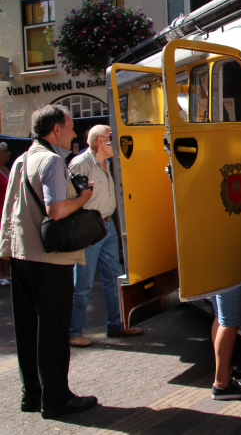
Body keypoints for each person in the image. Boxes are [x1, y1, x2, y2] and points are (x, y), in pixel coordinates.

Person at [0, 105, 98, 418]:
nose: (74, 133)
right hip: (49, 256)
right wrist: (82, 199)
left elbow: (11, 209)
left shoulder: (22, 159)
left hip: (21, 253)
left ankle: (32, 394)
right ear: (56, 130)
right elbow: (55, 210)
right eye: (70, 127)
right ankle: (56, 398)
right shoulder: (52, 160)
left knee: (27, 327)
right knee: (53, 328)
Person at [68, 125, 143, 347]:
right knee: (83, 283)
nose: (117, 143)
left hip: (107, 226)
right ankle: (73, 332)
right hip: (88, 229)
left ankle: (116, 324)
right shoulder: (80, 164)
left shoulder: (108, 163)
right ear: (100, 141)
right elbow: (70, 198)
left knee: (114, 277)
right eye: (112, 139)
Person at [210, 284, 241, 400]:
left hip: (212, 273)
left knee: (220, 316)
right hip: (227, 273)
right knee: (230, 322)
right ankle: (222, 383)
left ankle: (225, 372)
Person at [0, 143, 9, 286]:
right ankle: (1, 275)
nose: (9, 153)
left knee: (7, 242)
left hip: (6, 211)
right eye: (6, 151)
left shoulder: (6, 169)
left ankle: (8, 273)